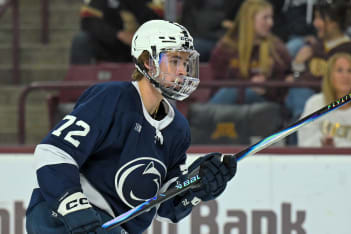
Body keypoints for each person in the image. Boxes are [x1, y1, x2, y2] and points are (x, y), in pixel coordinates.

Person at [26, 20, 237, 233]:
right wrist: (74, 208)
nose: (182, 70)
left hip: (111, 226)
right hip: (60, 216)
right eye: (174, 61)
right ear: (147, 61)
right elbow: (52, 152)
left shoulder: (177, 129)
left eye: (185, 62)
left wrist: (195, 186)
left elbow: (165, 205)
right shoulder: (112, 98)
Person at [285, 0, 351, 135]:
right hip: (306, 106)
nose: (314, 23)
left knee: (302, 93)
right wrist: (297, 65)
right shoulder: (313, 47)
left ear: (333, 23)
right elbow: (295, 78)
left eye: (319, 18)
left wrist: (302, 80)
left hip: (332, 107)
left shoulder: (350, 50)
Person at [209, 0, 291, 105]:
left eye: (271, 18)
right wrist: (248, 85)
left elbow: (284, 87)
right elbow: (218, 85)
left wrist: (266, 88)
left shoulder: (277, 48)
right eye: (265, 18)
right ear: (249, 20)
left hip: (264, 105)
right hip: (229, 106)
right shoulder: (226, 48)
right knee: (230, 92)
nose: (271, 23)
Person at [298, 53, 351, 147]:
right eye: (339, 70)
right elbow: (305, 141)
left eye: (350, 71)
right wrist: (322, 142)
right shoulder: (314, 104)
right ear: (330, 76)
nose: (345, 76)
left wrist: (336, 146)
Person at [70, 0, 162, 64]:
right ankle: (79, 83)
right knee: (81, 40)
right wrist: (118, 34)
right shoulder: (99, 2)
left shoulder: (147, 2)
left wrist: (140, 37)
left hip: (139, 49)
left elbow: (157, 22)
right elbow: (89, 22)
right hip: (110, 47)